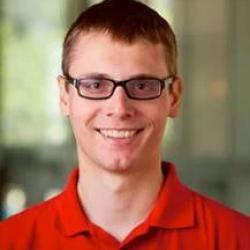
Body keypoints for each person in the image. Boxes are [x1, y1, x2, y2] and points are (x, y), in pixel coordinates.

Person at [0, 0, 249, 249]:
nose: (119, 109)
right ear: (65, 96)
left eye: (141, 86)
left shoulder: (239, 239)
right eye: (95, 85)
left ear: (173, 96)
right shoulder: (9, 241)